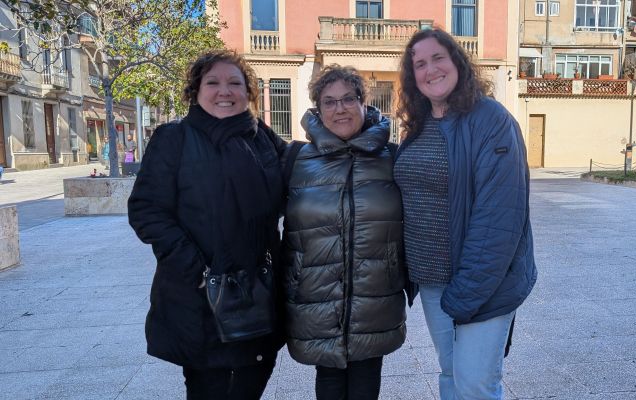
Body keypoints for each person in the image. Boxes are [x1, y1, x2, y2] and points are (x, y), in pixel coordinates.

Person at [128, 49, 286, 400]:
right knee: (209, 389)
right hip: (199, 297)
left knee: (251, 382)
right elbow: (146, 210)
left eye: (235, 82)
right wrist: (197, 269)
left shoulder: (263, 139)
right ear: (196, 91)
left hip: (256, 294)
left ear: (249, 92)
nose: (224, 91)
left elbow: (305, 170)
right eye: (212, 82)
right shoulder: (174, 138)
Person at [394, 28, 537, 400]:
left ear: (457, 61)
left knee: (475, 384)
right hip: (433, 281)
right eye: (419, 64)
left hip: (483, 283)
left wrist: (465, 294)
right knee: (451, 375)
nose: (430, 69)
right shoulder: (420, 124)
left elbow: (500, 219)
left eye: (438, 57)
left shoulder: (492, 121)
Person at [281, 64, 407, 400]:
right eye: (329, 102)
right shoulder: (295, 159)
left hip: (376, 295)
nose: (340, 109)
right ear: (318, 110)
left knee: (366, 385)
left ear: (364, 103)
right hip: (316, 294)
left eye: (348, 99)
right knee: (329, 383)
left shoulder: (393, 157)